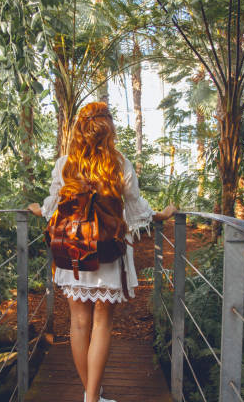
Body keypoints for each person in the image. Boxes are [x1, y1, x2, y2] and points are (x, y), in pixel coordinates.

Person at [27, 102, 176, 402]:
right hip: (107, 252)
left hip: (72, 251)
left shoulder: (65, 164)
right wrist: (161, 215)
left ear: (79, 130)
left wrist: (38, 210)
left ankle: (90, 395)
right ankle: (93, 398)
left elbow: (54, 206)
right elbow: (135, 208)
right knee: (101, 323)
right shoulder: (119, 163)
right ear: (109, 129)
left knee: (78, 323)